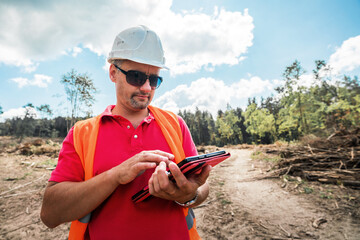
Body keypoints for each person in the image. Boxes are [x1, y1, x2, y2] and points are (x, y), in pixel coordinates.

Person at [40, 25, 211, 240]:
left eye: (155, 80)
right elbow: (50, 214)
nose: (147, 88)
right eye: (136, 77)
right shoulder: (82, 133)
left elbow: (201, 185)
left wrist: (190, 194)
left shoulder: (175, 124)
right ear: (113, 73)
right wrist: (115, 176)